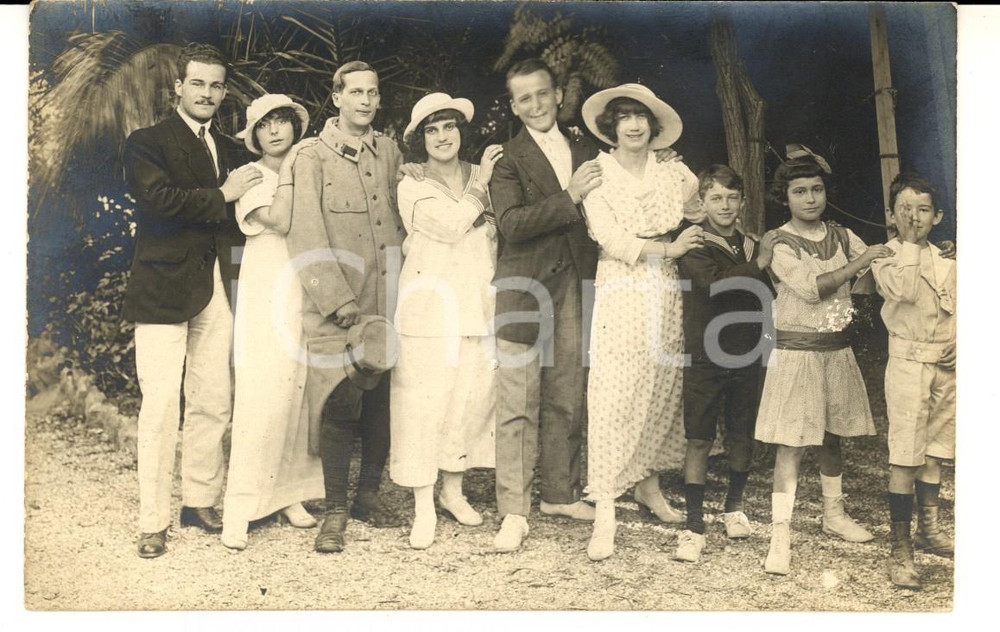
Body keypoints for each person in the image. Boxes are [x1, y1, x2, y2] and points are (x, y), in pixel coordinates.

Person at [122, 43, 263, 558]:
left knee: (213, 401)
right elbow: (160, 202)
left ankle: (199, 500)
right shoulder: (147, 143)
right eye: (197, 83)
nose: (207, 93)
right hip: (162, 290)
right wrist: (222, 194)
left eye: (216, 85)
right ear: (178, 87)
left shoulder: (228, 148)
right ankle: (152, 521)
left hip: (216, 289)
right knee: (160, 405)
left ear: (224, 92)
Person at [578, 83, 706, 561]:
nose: (633, 125)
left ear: (654, 126)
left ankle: (648, 487)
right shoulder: (597, 172)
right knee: (616, 392)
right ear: (611, 125)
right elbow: (609, 237)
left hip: (667, 287)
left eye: (641, 117)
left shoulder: (673, 172)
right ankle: (607, 508)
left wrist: (683, 240)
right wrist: (668, 248)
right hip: (621, 284)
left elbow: (697, 203)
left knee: (661, 385)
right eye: (625, 116)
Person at [284, 61, 406, 553]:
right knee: (339, 400)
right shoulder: (309, 157)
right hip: (337, 306)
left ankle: (368, 496)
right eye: (355, 92)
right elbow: (305, 233)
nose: (365, 101)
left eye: (373, 93)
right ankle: (335, 510)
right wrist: (338, 302)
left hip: (387, 301)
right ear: (335, 97)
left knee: (379, 401)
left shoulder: (390, 152)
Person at [755, 146, 894, 575]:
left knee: (833, 436)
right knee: (793, 444)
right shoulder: (780, 243)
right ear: (786, 197)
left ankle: (833, 515)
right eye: (800, 191)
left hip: (836, 351)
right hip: (797, 355)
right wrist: (863, 259)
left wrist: (891, 260)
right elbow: (813, 287)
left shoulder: (843, 234)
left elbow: (870, 280)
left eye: (816, 189)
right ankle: (781, 533)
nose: (810, 198)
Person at [389, 93, 503, 549]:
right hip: (427, 309)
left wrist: (485, 201)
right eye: (431, 130)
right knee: (423, 407)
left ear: (461, 131)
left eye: (449, 126)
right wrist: (481, 194)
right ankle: (422, 507)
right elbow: (454, 225)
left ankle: (453, 492)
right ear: (420, 140)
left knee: (469, 402)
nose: (442, 136)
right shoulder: (411, 185)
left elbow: (495, 228)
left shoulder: (483, 175)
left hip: (477, 303)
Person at [220, 94, 325, 550]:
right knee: (262, 397)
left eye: (283, 121)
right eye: (266, 125)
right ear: (255, 135)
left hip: (304, 290)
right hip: (266, 295)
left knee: (297, 393)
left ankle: (288, 495)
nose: (276, 131)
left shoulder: (305, 169)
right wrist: (293, 174)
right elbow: (280, 221)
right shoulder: (249, 178)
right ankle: (238, 511)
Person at [673, 165, 776, 563]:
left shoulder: (751, 245)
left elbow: (768, 295)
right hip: (705, 353)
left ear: (743, 202)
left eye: (733, 197)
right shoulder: (695, 243)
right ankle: (693, 526)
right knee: (699, 437)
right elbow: (715, 286)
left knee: (741, 434)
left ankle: (734, 507)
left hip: (747, 352)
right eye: (716, 198)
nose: (726, 205)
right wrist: (760, 264)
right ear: (703, 202)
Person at [870, 173, 955, 590]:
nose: (915, 217)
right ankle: (900, 548)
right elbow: (903, 291)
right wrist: (907, 244)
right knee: (906, 454)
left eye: (923, 210)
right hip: (907, 364)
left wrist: (962, 341)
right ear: (892, 215)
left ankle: (930, 529)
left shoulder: (948, 260)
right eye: (905, 209)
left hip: (945, 366)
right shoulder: (885, 258)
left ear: (937, 215)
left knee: (935, 453)